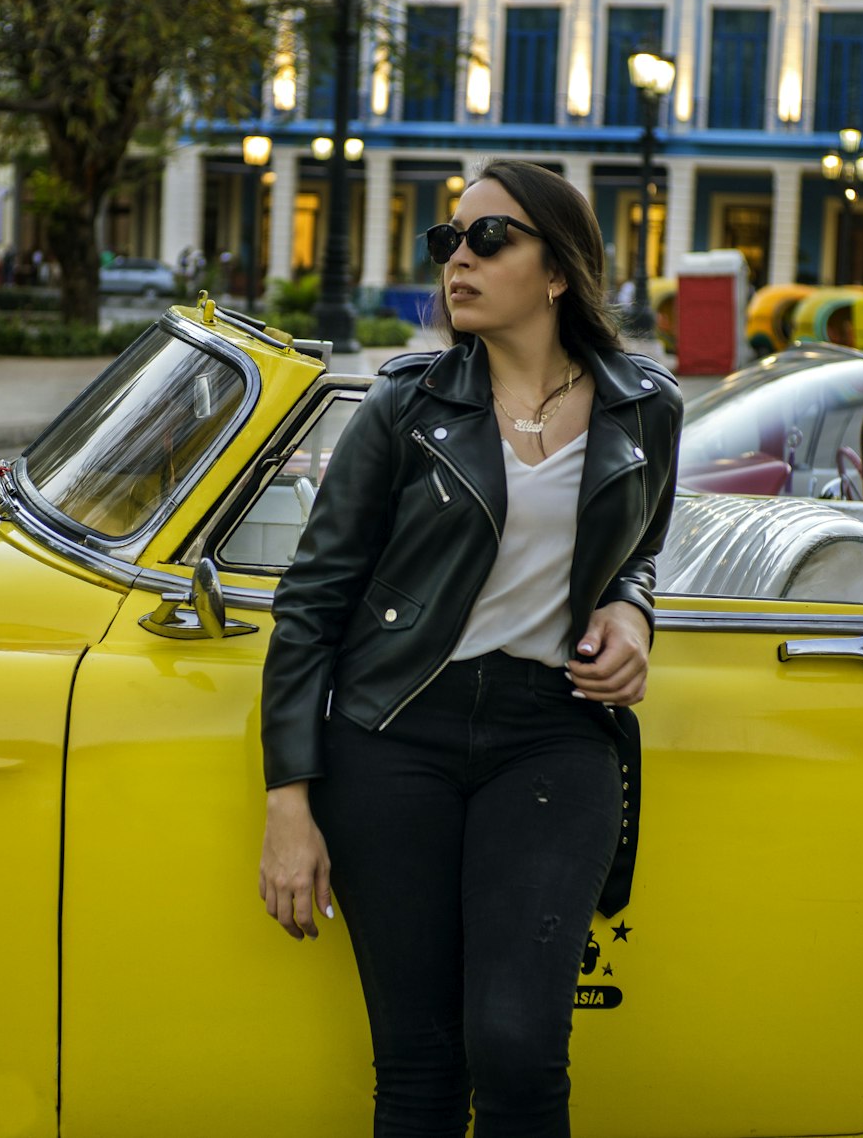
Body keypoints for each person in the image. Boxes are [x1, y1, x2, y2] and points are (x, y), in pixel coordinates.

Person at [259, 159, 683, 1138]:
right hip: (394, 733)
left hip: (552, 736)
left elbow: (639, 547)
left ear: (558, 270)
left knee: (519, 1047)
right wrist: (289, 800)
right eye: (446, 239)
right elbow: (311, 602)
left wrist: (631, 612)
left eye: (488, 238)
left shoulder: (644, 407)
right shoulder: (405, 404)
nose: (458, 257)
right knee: (418, 1065)